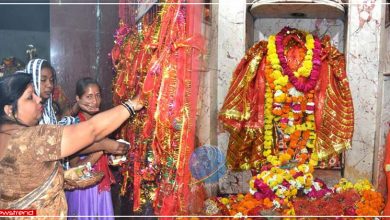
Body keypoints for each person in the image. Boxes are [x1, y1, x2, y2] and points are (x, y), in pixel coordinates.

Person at [0, 72, 143, 217]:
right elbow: (92, 130)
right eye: (30, 97)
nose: (39, 99)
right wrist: (132, 105)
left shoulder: (8, 137)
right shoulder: (30, 139)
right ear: (10, 110)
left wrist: (61, 177)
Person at [65, 77, 119, 219]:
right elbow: (75, 167)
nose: (94, 101)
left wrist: (113, 157)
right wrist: (103, 149)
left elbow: (106, 158)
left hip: (102, 187)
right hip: (83, 191)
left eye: (97, 96)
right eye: (88, 96)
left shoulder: (103, 122)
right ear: (78, 98)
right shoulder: (75, 125)